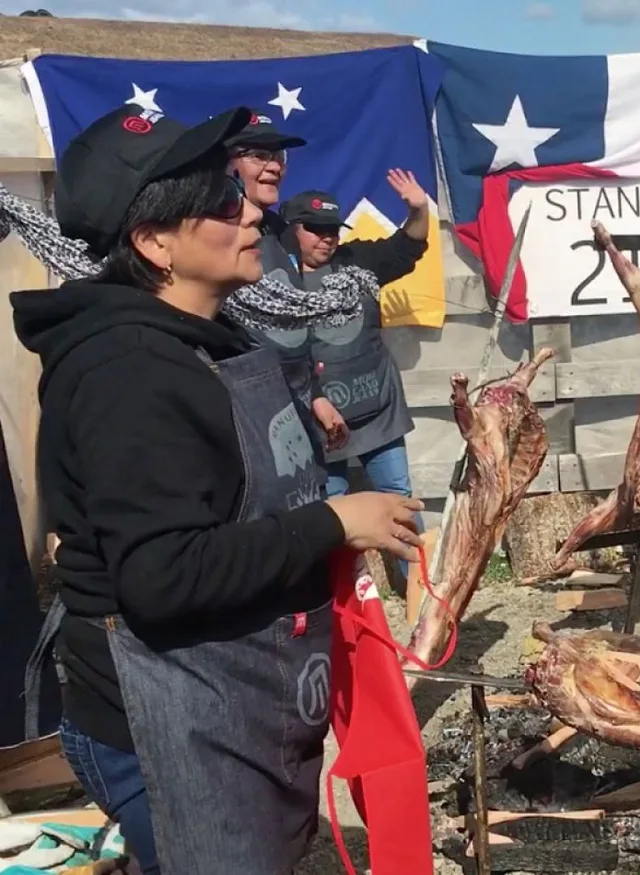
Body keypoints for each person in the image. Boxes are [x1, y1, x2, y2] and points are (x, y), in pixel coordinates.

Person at [11, 104, 423, 873]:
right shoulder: (126, 370)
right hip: (165, 720)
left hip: (238, 696)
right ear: (154, 242)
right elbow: (163, 575)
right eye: (220, 201)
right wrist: (333, 521)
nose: (249, 210)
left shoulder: (220, 340)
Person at [279, 174, 431, 572]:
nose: (327, 238)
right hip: (319, 418)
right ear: (292, 229)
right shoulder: (275, 282)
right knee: (334, 510)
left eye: (332, 230)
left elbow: (408, 247)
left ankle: (420, 588)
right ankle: (348, 599)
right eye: (316, 230)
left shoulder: (357, 261)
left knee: (399, 495)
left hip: (377, 405)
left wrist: (418, 209)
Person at [228, 114, 349, 450]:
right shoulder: (209, 235)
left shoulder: (281, 232)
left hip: (294, 408)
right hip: (242, 416)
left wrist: (317, 396)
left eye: (278, 156)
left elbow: (293, 327)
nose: (274, 167)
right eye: (258, 155)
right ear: (227, 166)